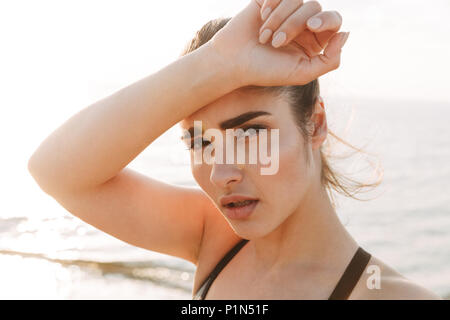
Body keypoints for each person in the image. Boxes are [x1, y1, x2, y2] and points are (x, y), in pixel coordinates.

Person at [28, 0, 442, 299]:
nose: (220, 172)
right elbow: (54, 170)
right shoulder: (214, 239)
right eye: (199, 141)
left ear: (315, 125)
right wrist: (216, 64)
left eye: (250, 134)